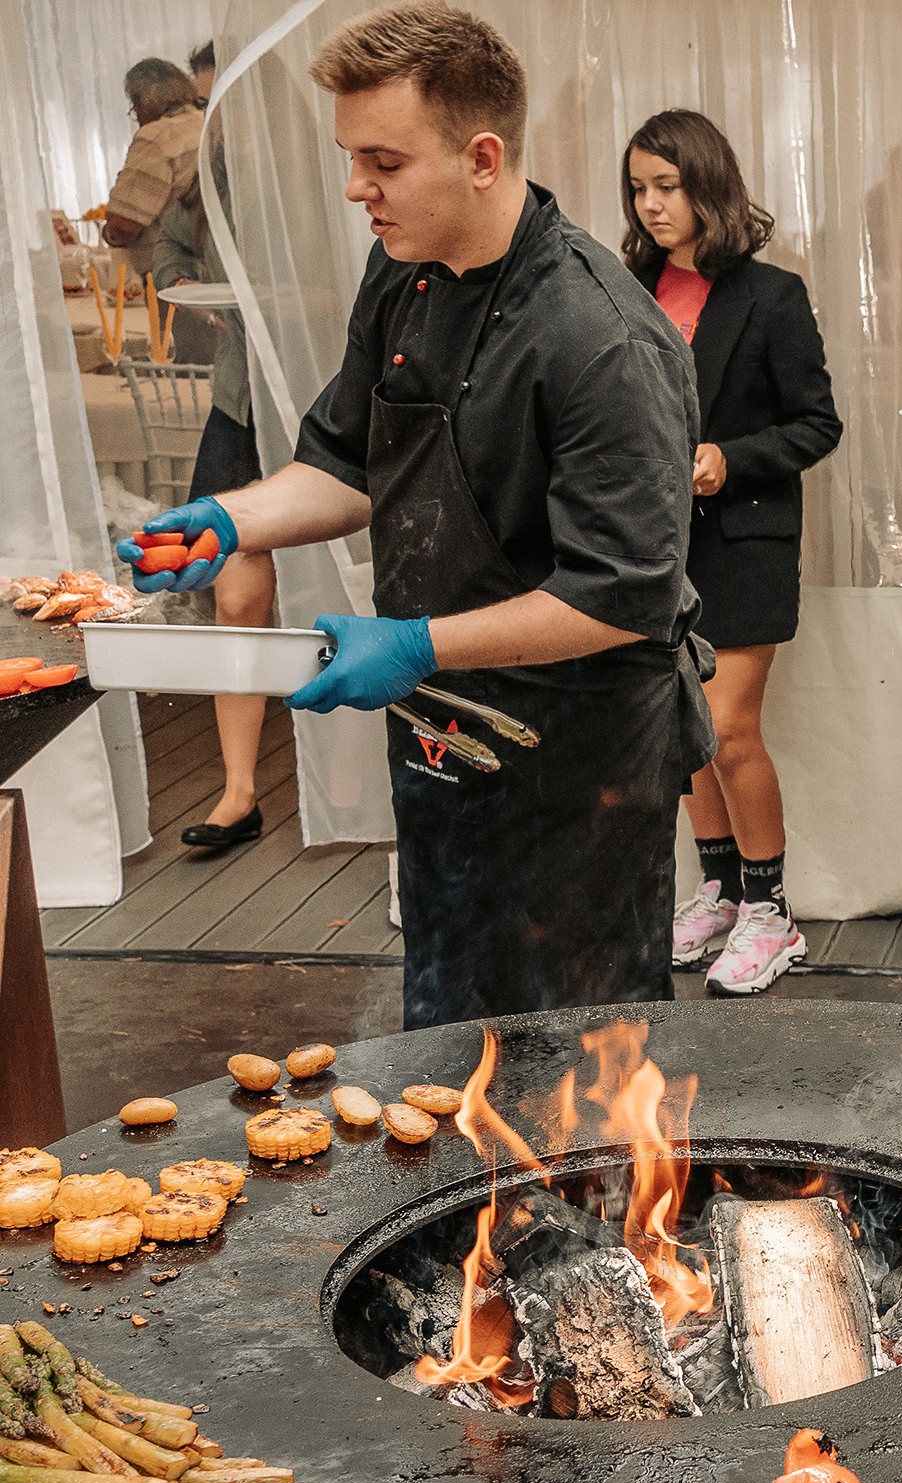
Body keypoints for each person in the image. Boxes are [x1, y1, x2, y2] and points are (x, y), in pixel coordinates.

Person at [118, 2, 714, 1032]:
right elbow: (350, 461)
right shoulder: (401, 272)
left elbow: (623, 593)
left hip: (579, 758)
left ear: (482, 157)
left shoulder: (601, 334)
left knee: (583, 1054)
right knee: (446, 1023)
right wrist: (234, 519)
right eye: (352, 158)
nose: (357, 187)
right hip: (445, 732)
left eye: (382, 162)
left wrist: (416, 640)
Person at [622, 110, 842, 996]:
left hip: (742, 540)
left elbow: (818, 424)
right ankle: (715, 892)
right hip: (647, 544)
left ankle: (771, 912)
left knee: (728, 726)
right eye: (638, 188)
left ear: (708, 186)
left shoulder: (772, 295)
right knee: (682, 730)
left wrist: (729, 458)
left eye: (666, 187)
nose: (649, 206)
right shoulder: (624, 284)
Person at [151, 134, 274, 848]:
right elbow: (167, 258)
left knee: (339, 594)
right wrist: (207, 300)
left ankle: (349, 776)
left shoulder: (324, 175)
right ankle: (239, 790)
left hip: (324, 400)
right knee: (235, 596)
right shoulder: (207, 188)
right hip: (240, 402)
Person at [101, 59, 206, 277]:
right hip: (205, 266)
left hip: (168, 274)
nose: (137, 116)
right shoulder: (203, 122)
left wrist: (108, 233)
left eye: (134, 105)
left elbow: (125, 225)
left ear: (144, 101)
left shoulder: (157, 138)